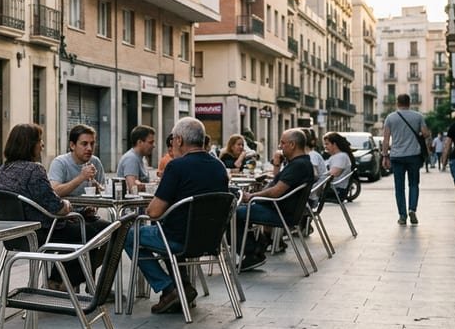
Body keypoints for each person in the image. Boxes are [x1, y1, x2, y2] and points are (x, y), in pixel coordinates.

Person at [124, 118, 228, 314]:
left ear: (179, 140)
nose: (171, 143)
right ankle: (184, 286)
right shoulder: (219, 166)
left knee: (128, 235)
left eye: (172, 139)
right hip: (210, 240)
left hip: (179, 240)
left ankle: (168, 288)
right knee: (165, 228)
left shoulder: (176, 166)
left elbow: (153, 212)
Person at [0, 123, 108, 291]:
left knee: (83, 230)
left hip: (15, 235)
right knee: (104, 231)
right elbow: (57, 207)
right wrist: (68, 205)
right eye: (39, 141)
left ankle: (59, 281)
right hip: (43, 233)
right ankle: (68, 284)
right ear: (28, 144)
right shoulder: (35, 169)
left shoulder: (3, 169)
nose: (42, 145)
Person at [234, 129, 315, 271]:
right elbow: (278, 181)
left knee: (232, 214)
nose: (280, 146)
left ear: (292, 144)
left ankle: (253, 253)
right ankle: (257, 246)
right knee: (238, 210)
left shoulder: (298, 165)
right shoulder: (299, 163)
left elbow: (277, 191)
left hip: (280, 212)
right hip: (279, 209)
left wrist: (253, 196)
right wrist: (277, 164)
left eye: (282, 143)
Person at [381, 93, 429, 225]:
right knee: (413, 184)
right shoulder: (418, 116)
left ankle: (402, 216)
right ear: (409, 103)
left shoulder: (390, 118)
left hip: (397, 156)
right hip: (414, 156)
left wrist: (385, 156)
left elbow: (386, 140)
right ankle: (412, 209)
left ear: (397, 103)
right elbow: (425, 134)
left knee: (399, 187)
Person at [49, 124, 107, 200]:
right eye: (84, 144)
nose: (89, 148)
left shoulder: (95, 162)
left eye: (92, 144)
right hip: (67, 211)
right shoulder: (60, 162)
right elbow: (54, 191)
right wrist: (81, 177)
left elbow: (104, 191)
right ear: (72, 145)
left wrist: (97, 187)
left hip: (89, 209)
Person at [117, 125, 156, 195]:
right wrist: (151, 186)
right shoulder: (131, 159)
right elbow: (133, 189)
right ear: (140, 142)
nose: (154, 145)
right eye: (150, 142)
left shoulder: (142, 158)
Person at [322, 132, 354, 201]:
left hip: (336, 191)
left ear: (334, 144)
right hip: (332, 189)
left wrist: (318, 174)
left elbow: (334, 173)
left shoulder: (341, 156)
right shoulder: (336, 156)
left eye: (327, 144)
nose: (325, 146)